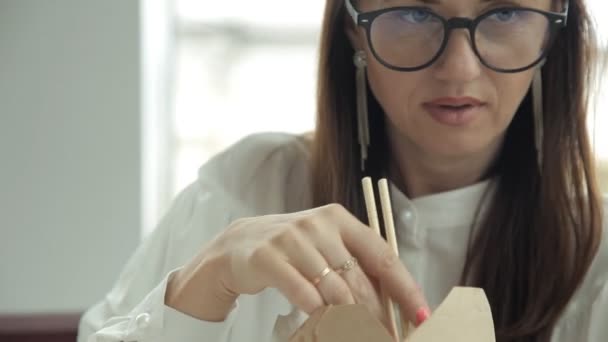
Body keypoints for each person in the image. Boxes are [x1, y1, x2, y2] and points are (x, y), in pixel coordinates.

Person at [78, 0, 608, 341]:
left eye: (505, 12)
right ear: (354, 29)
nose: (460, 66)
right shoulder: (251, 187)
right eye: (417, 13)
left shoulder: (598, 251)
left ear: (551, 33)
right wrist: (207, 280)